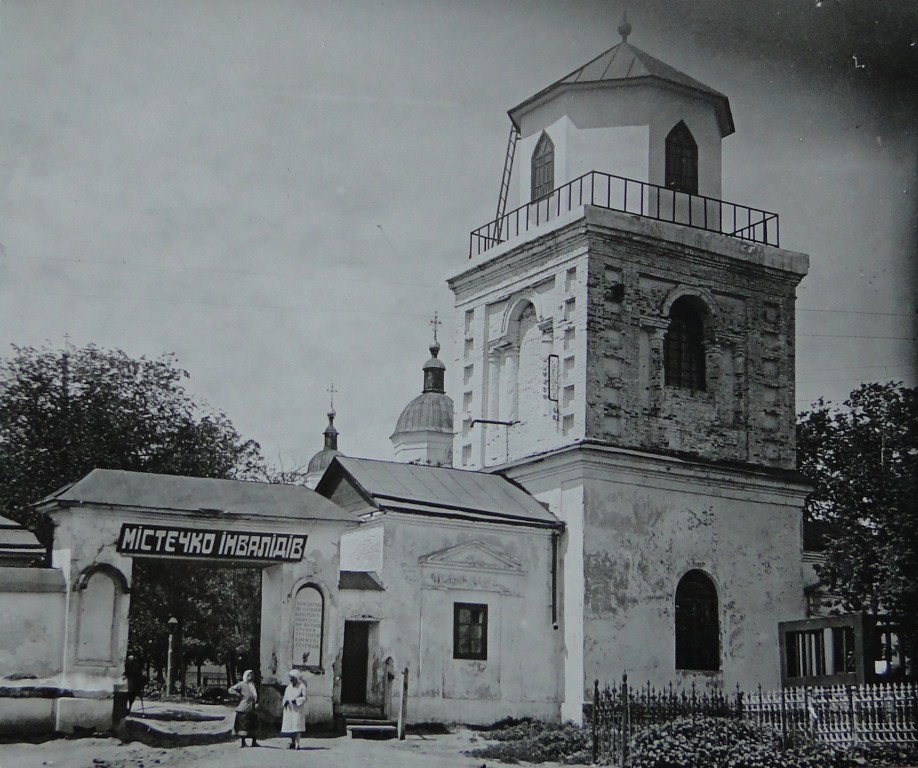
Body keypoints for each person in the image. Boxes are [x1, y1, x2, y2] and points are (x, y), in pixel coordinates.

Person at [228, 670, 259, 747]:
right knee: (243, 726)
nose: (250, 677)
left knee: (253, 725)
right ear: (245, 676)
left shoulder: (253, 685)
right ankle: (243, 742)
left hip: (252, 708)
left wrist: (256, 703)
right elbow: (230, 690)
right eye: (249, 675)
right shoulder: (242, 684)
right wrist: (238, 694)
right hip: (244, 708)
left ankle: (254, 742)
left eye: (252, 676)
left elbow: (256, 695)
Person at [281, 669, 308, 750]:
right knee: (291, 727)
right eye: (290, 678)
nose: (290, 680)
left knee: (297, 726)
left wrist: (296, 701)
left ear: (296, 678)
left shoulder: (302, 686)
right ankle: (292, 742)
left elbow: (305, 697)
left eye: (292, 678)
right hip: (289, 709)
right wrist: (285, 702)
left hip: (297, 709)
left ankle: (297, 743)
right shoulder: (288, 687)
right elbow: (285, 697)